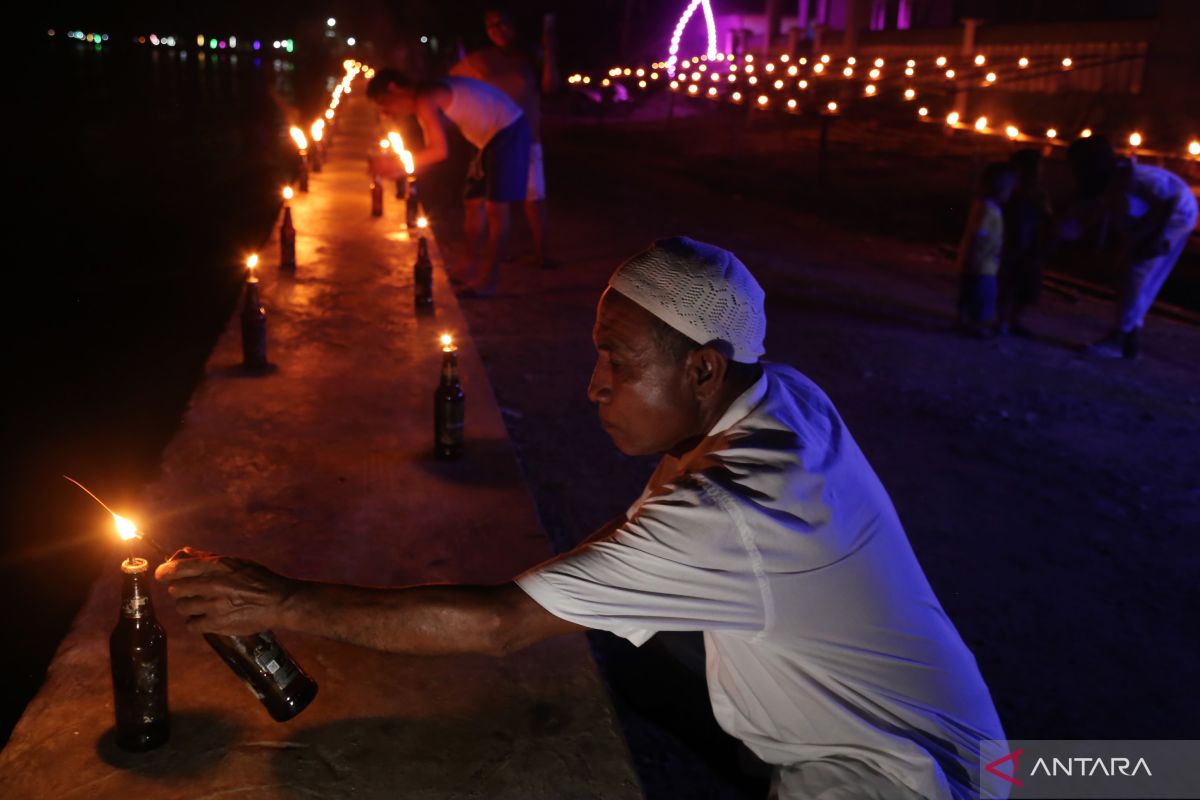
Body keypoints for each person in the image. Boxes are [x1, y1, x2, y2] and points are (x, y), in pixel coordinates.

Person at [156, 238, 1008, 800]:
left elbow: (499, 627)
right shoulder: (784, 397)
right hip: (964, 734)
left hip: (895, 775)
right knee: (617, 646)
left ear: (704, 369)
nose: (594, 385)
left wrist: (282, 601)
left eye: (618, 361)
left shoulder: (732, 512)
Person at [366, 70, 530, 297]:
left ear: (395, 88)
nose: (386, 111)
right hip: (486, 140)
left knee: (496, 209)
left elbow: (438, 151)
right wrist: (399, 168)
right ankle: (468, 265)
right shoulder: (428, 93)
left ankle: (489, 280)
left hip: (507, 129)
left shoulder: (426, 98)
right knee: (472, 203)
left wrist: (395, 165)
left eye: (384, 102)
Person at [1065, 135, 1198, 359]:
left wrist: (1155, 237)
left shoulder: (1136, 178)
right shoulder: (1110, 180)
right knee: (1137, 275)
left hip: (1177, 216)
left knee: (1136, 274)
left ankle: (1121, 338)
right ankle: (1129, 335)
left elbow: (1170, 200)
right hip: (1159, 218)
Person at [452, 7, 559, 269]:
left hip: (526, 138)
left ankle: (541, 254)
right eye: (491, 25)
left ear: (514, 24)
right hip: (491, 141)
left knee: (534, 198)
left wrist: (550, 50)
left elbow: (551, 87)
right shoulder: (479, 60)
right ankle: (484, 260)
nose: (498, 29)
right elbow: (450, 84)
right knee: (492, 204)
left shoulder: (531, 56)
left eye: (503, 23)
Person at [955, 162, 1016, 337]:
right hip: (982, 265)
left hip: (979, 263)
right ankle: (975, 326)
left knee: (968, 294)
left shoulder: (982, 206)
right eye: (1009, 189)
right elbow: (979, 235)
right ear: (1001, 189)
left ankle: (963, 321)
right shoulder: (988, 211)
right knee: (983, 296)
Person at [998, 150, 1052, 337]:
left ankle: (1014, 320)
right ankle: (1003, 320)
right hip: (1014, 242)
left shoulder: (1039, 194)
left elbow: (1046, 217)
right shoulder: (1012, 191)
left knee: (1024, 285)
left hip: (1031, 244)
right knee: (1008, 283)